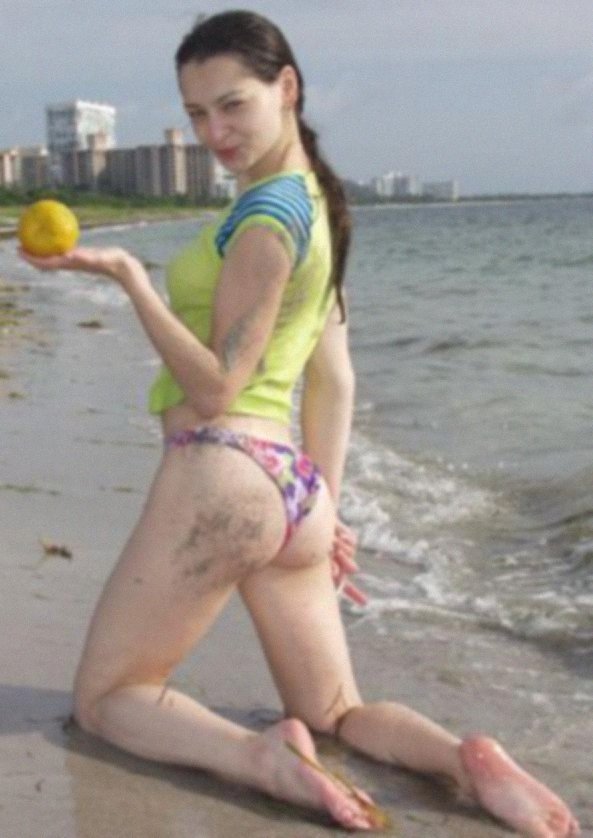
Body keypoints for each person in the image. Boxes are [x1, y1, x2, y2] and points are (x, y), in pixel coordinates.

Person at [20, 10, 580, 836]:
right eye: (197, 113)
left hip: (223, 471)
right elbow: (334, 379)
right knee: (336, 712)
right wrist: (327, 504)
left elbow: (219, 388)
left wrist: (130, 279)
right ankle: (460, 758)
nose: (214, 132)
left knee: (107, 701)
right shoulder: (318, 203)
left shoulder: (267, 216)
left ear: (286, 88)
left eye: (232, 105)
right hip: (292, 490)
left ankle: (265, 760)